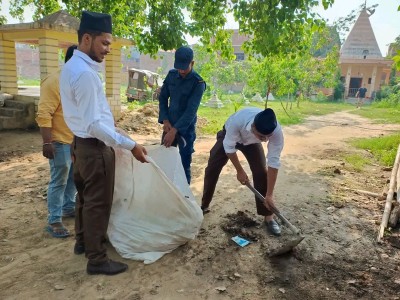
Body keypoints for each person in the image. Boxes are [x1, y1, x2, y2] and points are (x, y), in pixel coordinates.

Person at [60, 11, 148, 276]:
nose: (109, 49)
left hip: (79, 145)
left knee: (84, 197)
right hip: (94, 148)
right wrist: (129, 144)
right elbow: (94, 126)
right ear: (87, 38)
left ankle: (82, 242)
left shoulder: (71, 67)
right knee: (98, 202)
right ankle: (96, 259)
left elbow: (89, 119)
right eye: (105, 43)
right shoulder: (86, 75)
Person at [200, 107, 284, 236]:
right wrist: (239, 170)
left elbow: (273, 162)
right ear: (253, 127)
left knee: (261, 172)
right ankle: (204, 205)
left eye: (268, 137)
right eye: (262, 137)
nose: (265, 140)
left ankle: (269, 217)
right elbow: (229, 147)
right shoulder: (237, 121)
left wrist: (270, 194)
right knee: (212, 168)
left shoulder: (276, 131)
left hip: (251, 143)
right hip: (229, 136)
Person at [36, 45, 78, 238]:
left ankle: (68, 207)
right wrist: (47, 142)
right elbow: (44, 113)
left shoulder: (77, 81)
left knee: (72, 179)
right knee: (59, 180)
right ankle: (54, 220)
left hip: (75, 140)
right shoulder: (54, 81)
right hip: (59, 141)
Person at [158, 46, 206, 184]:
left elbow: (191, 111)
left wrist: (175, 130)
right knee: (165, 163)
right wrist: (165, 120)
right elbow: (162, 98)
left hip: (186, 131)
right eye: (179, 67)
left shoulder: (198, 83)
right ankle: (166, 196)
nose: (181, 71)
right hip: (168, 127)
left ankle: (184, 199)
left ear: (192, 63)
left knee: (184, 165)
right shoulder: (172, 75)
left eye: (184, 67)